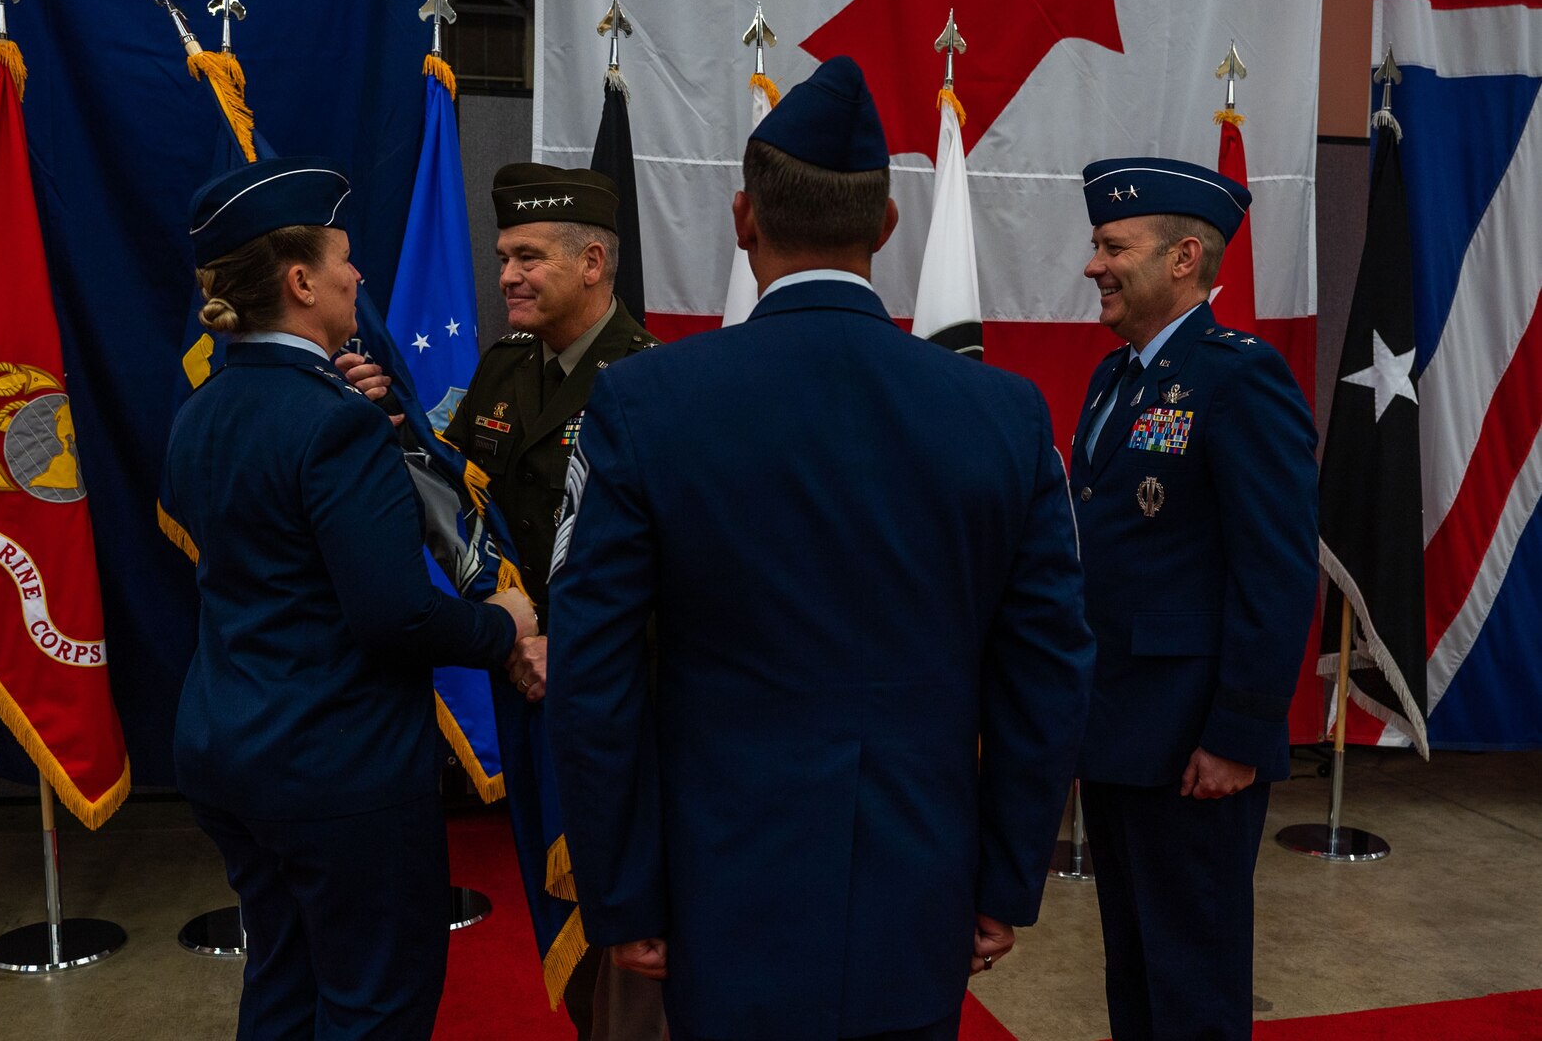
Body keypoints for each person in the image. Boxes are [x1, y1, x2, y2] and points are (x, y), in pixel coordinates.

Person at [542, 56, 1095, 1041]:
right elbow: (1047, 670)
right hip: (922, 883)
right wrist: (1004, 877)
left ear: (743, 218)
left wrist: (624, 894)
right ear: (885, 228)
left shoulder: (647, 404)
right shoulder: (1005, 416)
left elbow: (596, 669)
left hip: (720, 886)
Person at [162, 156, 536, 1039]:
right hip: (334, 768)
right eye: (341, 259)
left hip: (225, 749)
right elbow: (394, 613)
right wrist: (504, 625)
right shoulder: (334, 421)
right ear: (299, 282)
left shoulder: (203, 410)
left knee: (284, 983)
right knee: (375, 1005)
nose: (356, 275)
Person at [342, 161, 665, 1041]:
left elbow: (672, 565)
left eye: (529, 257)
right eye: (502, 257)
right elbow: (454, 490)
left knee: (623, 917)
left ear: (593, 261)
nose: (508, 276)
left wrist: (572, 649)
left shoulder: (652, 382)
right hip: (523, 682)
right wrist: (392, 423)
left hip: (610, 697)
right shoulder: (504, 365)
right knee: (552, 900)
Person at [1068, 157, 1319, 1040]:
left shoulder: (1238, 377)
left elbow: (1277, 569)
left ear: (1182, 259)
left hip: (1193, 745)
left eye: (1112, 246)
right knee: (1135, 967)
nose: (1093, 264)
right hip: (1120, 730)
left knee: (1193, 982)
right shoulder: (1114, 379)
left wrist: (1238, 734)